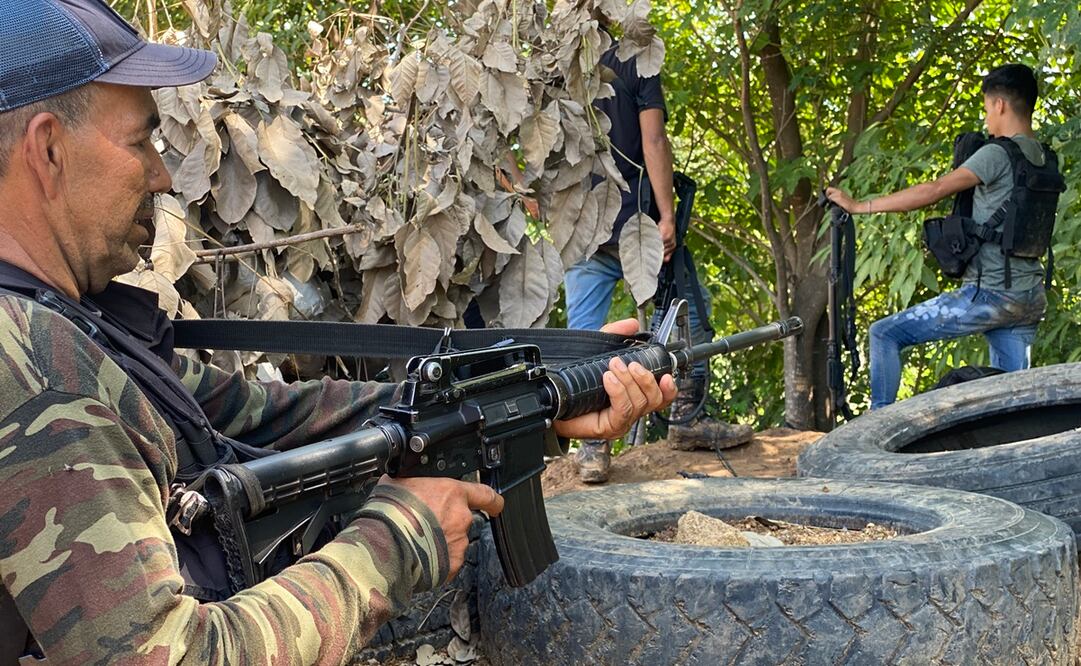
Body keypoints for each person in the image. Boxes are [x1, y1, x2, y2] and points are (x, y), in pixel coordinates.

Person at [0, 1, 676, 663]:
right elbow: (163, 655)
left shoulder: (69, 325)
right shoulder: (34, 361)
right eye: (139, 140)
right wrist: (394, 541)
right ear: (48, 150)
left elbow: (264, 417)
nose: (162, 174)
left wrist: (529, 403)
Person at [567, 27, 747, 483]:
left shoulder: (561, 57)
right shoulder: (637, 55)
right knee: (685, 313)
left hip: (579, 228)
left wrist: (539, 203)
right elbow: (654, 141)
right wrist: (667, 216)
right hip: (636, 228)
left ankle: (592, 449)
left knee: (584, 338)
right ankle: (688, 419)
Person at [826, 64, 1050, 410]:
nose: (988, 118)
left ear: (1000, 105)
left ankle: (873, 434)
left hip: (990, 296)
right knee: (1010, 401)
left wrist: (860, 206)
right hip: (1030, 296)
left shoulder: (997, 153)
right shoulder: (1044, 156)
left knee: (884, 333)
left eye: (988, 108)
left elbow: (934, 190)